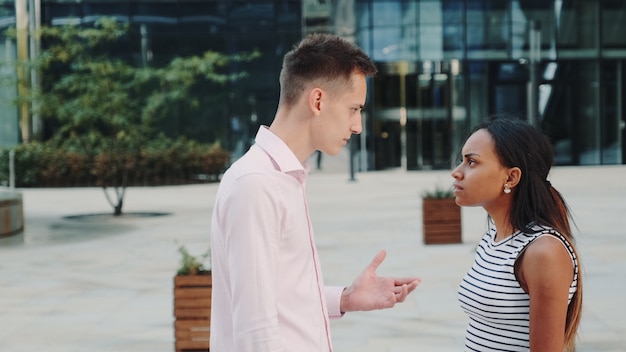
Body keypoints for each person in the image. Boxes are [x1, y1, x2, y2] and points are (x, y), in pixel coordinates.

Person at [210, 33, 422, 352]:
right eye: (353, 109)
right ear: (318, 101)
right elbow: (256, 330)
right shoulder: (256, 184)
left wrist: (346, 298)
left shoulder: (284, 177)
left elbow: (281, 296)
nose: (358, 126)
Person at [452, 116, 583, 351]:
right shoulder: (493, 238)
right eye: (462, 161)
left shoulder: (543, 251)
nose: (456, 172)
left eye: (471, 162)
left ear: (511, 177)